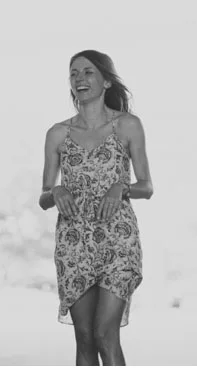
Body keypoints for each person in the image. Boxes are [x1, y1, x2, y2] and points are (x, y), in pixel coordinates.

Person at [39, 50, 154, 366]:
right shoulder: (58, 133)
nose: (80, 78)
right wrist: (56, 190)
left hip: (118, 239)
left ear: (106, 81)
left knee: (105, 333)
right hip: (74, 242)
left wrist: (122, 187)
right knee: (85, 338)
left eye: (88, 72)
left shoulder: (127, 126)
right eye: (74, 73)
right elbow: (44, 195)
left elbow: (147, 186)